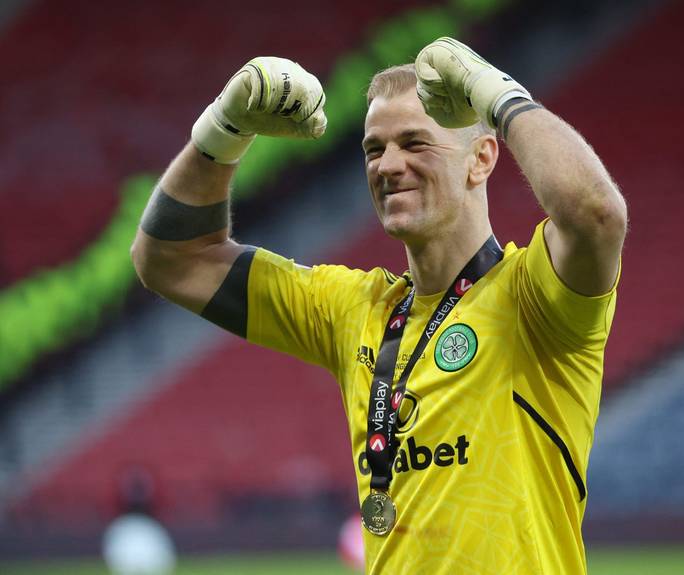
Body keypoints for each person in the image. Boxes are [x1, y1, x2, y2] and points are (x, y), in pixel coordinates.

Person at [131, 37, 627, 575]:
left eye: (415, 143)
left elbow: (595, 213)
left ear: (481, 159)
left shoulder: (534, 297)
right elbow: (169, 260)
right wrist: (222, 130)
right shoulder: (352, 309)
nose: (389, 165)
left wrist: (497, 96)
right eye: (374, 149)